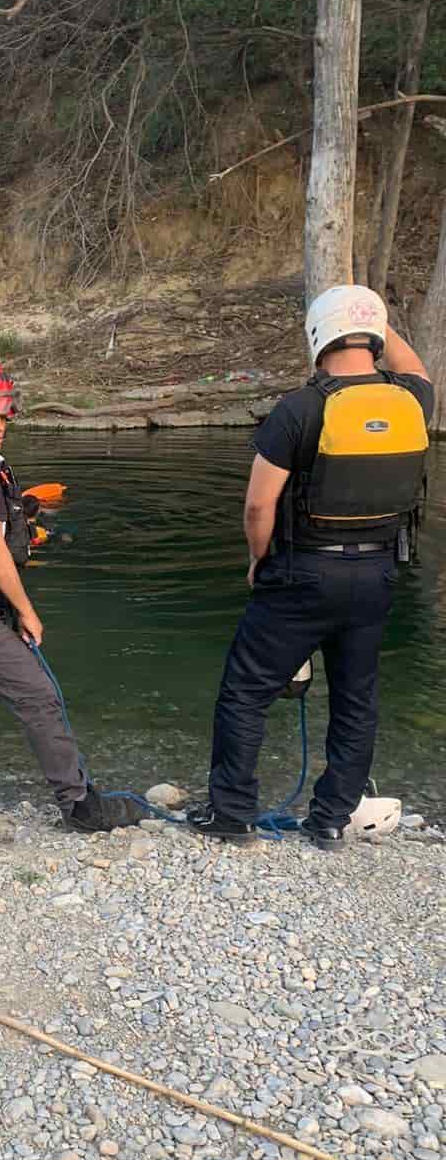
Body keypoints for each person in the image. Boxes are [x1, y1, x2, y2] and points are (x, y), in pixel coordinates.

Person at [188, 284, 431, 850]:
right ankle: (328, 818)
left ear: (318, 334)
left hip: (302, 574)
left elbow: (257, 504)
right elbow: (412, 364)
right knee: (355, 700)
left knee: (246, 692)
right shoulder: (414, 400)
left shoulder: (301, 408)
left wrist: (257, 558)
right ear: (371, 335)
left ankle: (232, 814)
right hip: (376, 577)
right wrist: (377, 323)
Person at [0, 359, 145, 831]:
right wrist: (26, 611)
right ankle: (80, 805)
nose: (0, 428)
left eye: (4, 418)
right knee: (39, 697)